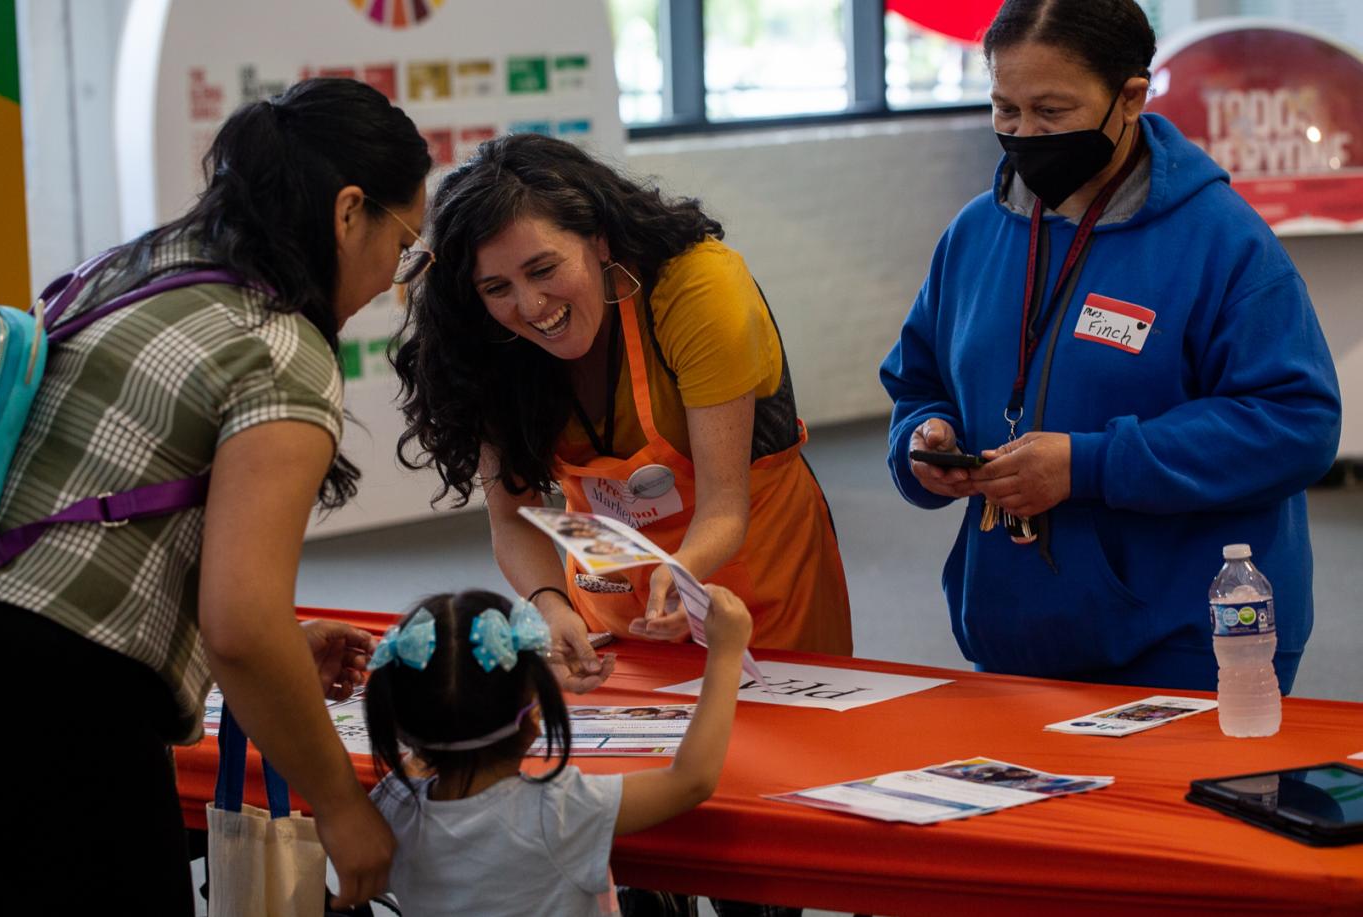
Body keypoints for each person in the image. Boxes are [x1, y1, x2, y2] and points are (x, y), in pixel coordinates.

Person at [0, 78, 432, 913]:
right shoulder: (279, 344)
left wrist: (274, 649)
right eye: (405, 244)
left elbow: (100, 520)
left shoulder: (124, 271)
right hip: (59, 715)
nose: (393, 278)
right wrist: (340, 804)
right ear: (348, 213)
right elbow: (239, 621)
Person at [880, 0, 1341, 693]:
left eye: (1052, 112)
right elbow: (918, 382)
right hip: (1014, 627)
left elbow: (1295, 423)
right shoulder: (976, 234)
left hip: (1185, 636)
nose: (1025, 134)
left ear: (1130, 96)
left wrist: (1088, 465)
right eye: (1006, 110)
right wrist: (924, 438)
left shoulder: (1221, 241)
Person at [395, 133, 852, 692]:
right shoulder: (479, 341)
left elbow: (725, 508)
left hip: (751, 577)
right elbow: (513, 520)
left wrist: (681, 575)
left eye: (543, 269)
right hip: (610, 594)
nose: (531, 306)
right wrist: (550, 608)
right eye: (497, 287)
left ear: (600, 240)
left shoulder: (698, 289)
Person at [364, 587, 752, 917]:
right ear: (535, 715)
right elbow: (690, 781)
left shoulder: (389, 804)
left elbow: (435, 724)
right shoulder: (557, 810)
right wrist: (726, 654)